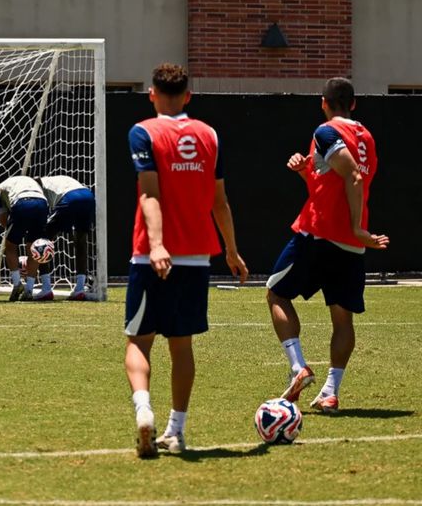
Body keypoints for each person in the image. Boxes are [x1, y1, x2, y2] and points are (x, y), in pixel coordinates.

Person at [125, 63, 247, 457]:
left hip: (151, 256)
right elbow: (221, 201)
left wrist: (158, 245)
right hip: (197, 257)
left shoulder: (144, 131)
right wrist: (231, 249)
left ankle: (144, 411)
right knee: (182, 345)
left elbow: (149, 194)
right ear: (189, 96)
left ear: (152, 94)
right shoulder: (209, 134)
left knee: (139, 342)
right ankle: (176, 430)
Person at [265, 77, 387, 414]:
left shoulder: (326, 132)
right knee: (342, 319)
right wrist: (306, 173)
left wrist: (356, 227)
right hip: (349, 244)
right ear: (354, 104)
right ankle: (330, 392)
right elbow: (334, 182)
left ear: (323, 103)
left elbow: (353, 177)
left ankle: (297, 367)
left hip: (320, 233)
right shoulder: (367, 138)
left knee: (276, 294)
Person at [39, 175, 97, 300]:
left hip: (70, 197)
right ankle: (80, 287)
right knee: (81, 241)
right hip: (88, 196)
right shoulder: (56, 180)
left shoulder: (38, 186)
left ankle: (46, 288)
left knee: (41, 241)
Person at [0, 175, 48, 302]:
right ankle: (29, 289)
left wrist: (14, 231)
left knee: (9, 245)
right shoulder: (29, 181)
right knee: (33, 247)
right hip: (42, 203)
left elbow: (3, 221)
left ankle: (17, 284)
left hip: (22, 202)